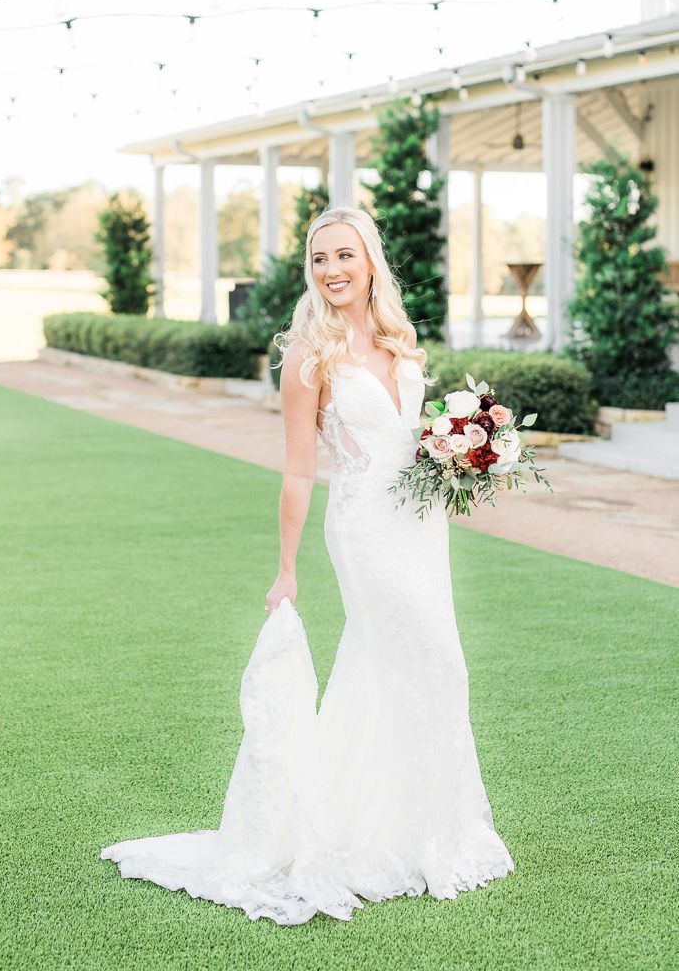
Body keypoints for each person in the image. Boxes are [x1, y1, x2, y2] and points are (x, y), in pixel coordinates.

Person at [100, 205, 514, 925]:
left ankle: (416, 828)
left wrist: (462, 453)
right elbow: (298, 471)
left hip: (420, 527)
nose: (332, 270)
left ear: (370, 262)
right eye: (320, 259)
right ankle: (380, 836)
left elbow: (411, 438)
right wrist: (286, 568)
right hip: (363, 529)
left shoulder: (401, 341)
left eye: (344, 255)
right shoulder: (308, 356)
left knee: (413, 665)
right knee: (426, 657)